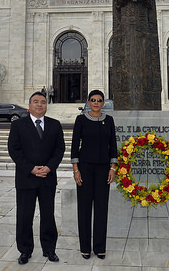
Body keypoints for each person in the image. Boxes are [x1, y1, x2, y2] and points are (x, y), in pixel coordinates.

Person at [8, 92, 65, 265]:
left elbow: (59, 149)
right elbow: (14, 150)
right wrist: (31, 169)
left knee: (48, 216)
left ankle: (49, 249)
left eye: (42, 102)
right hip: (26, 178)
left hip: (47, 178)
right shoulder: (18, 125)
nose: (39, 105)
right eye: (36, 102)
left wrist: (49, 167)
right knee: (25, 216)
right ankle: (25, 250)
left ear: (46, 105)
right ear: (29, 105)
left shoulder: (55, 125)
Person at [71, 90, 118, 260]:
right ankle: (85, 247)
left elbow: (113, 145)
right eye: (93, 100)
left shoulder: (109, 120)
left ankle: (99, 247)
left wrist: (113, 168)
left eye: (99, 100)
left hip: (103, 170)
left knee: (101, 208)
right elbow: (75, 145)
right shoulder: (81, 120)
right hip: (84, 169)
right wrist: (76, 170)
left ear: (103, 102)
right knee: (84, 208)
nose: (96, 103)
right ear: (88, 102)